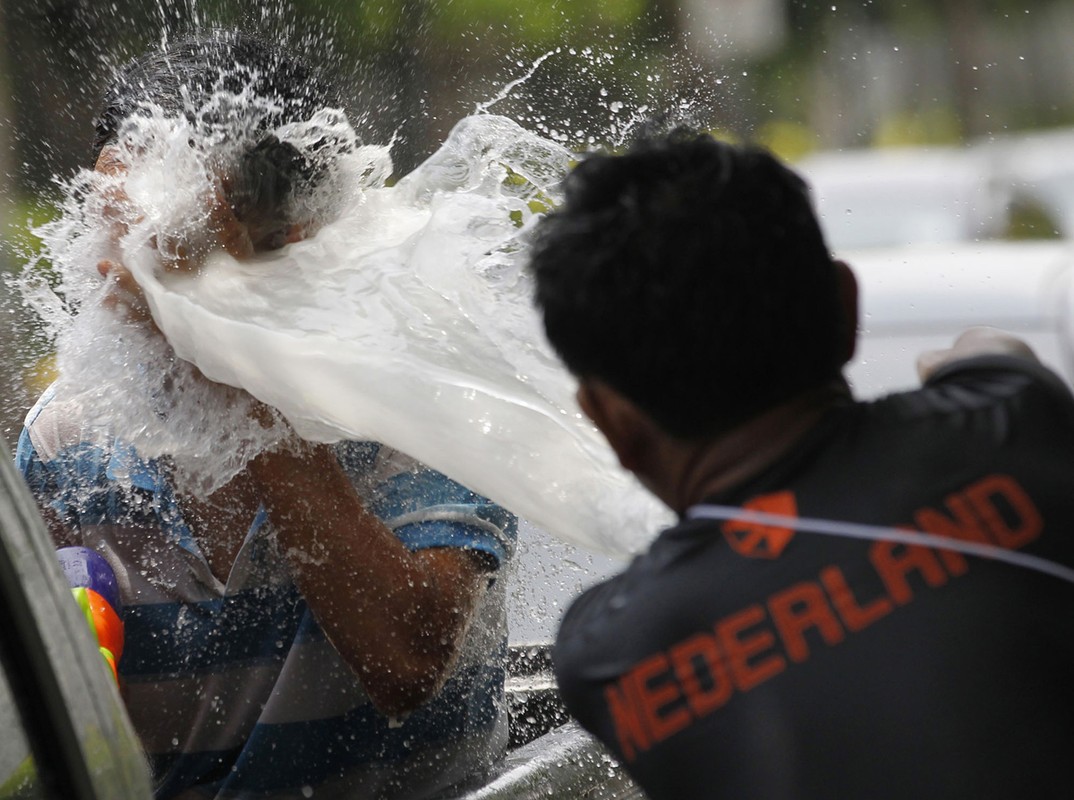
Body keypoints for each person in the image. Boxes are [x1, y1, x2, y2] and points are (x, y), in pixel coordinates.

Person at [16, 31, 516, 800]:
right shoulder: (66, 437)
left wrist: (235, 365)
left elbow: (403, 664)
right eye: (108, 232)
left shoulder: (419, 392)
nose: (121, 273)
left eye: (168, 243)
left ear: (299, 243)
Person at [530, 130, 1074, 799]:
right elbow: (992, 350)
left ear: (612, 422)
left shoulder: (613, 651)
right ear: (848, 310)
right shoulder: (1012, 425)